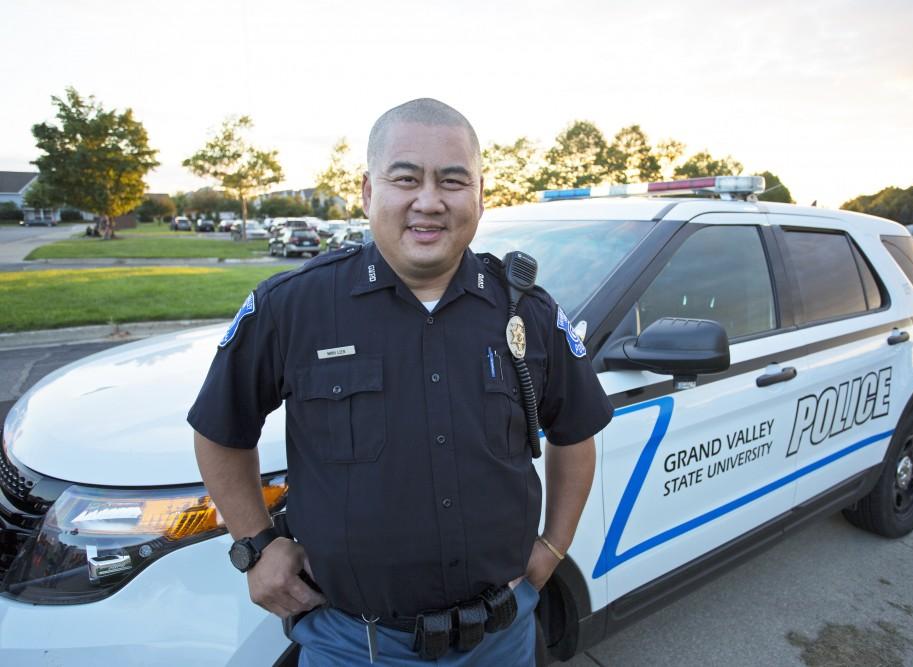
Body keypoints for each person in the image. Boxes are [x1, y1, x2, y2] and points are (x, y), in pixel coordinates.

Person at [188, 98, 613, 665]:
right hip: (354, 643)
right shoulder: (293, 307)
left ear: (480, 194)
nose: (429, 201)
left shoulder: (526, 312)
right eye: (406, 178)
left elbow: (575, 431)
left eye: (453, 180)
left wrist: (554, 546)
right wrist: (257, 546)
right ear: (368, 192)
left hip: (501, 636)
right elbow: (220, 430)